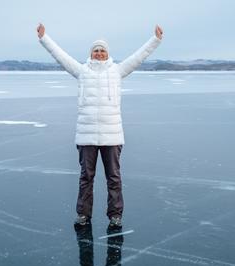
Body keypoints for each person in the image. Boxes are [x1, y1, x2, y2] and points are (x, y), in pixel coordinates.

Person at [37, 23, 163, 229]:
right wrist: (44, 38)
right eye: (96, 50)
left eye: (102, 50)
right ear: (91, 54)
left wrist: (155, 40)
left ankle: (115, 215)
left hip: (112, 136)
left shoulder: (117, 71)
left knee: (113, 178)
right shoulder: (81, 71)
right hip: (86, 136)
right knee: (86, 177)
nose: (99, 53)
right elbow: (60, 56)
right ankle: (83, 214)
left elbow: (139, 57)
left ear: (107, 53)